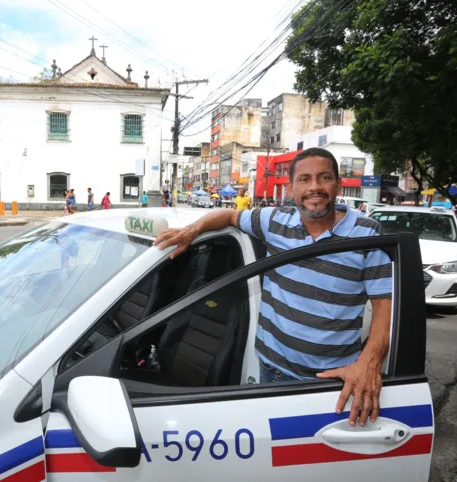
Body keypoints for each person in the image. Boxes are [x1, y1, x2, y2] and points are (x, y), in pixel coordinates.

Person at [154, 147, 393, 427]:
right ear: (290, 189)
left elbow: (383, 307)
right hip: (270, 371)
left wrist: (369, 363)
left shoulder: (367, 233)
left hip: (331, 382)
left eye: (324, 177)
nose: (314, 187)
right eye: (304, 180)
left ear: (338, 184)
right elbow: (229, 216)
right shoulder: (275, 221)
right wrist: (191, 231)